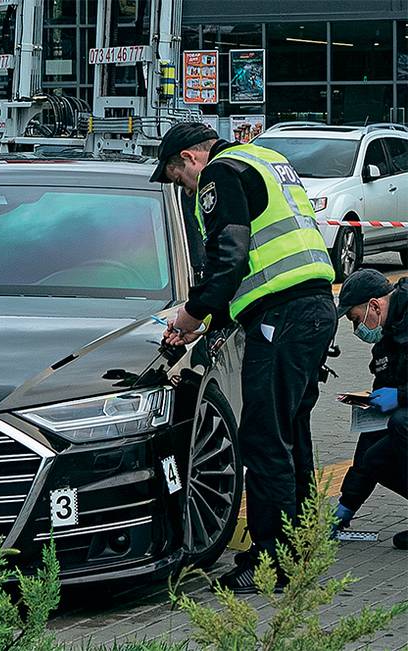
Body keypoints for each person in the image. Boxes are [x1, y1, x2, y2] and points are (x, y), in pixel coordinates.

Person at [150, 122, 337, 593]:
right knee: (290, 430)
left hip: (284, 315)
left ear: (191, 159)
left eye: (178, 179)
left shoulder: (220, 172)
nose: (183, 188)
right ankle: (298, 547)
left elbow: (228, 256)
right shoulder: (267, 160)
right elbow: (258, 260)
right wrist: (217, 318)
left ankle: (270, 561)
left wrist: (191, 316)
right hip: (311, 308)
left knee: (263, 438)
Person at [332, 269, 407, 550]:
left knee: (402, 422)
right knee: (376, 457)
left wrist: (400, 395)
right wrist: (346, 505)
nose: (357, 330)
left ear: (374, 306)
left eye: (354, 318)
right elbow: (373, 428)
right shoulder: (388, 342)